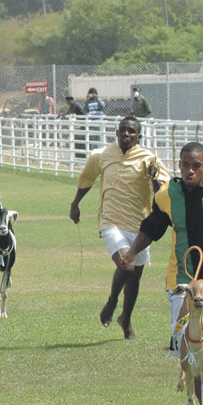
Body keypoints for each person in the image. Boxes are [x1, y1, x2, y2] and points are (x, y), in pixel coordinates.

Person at [121, 141, 203, 365]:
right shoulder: (167, 194)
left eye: (196, 166)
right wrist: (132, 252)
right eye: (185, 165)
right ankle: (202, 393)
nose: (190, 170)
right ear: (179, 165)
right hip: (183, 281)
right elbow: (152, 228)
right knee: (186, 343)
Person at [69, 115, 169, 339]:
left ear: (139, 136)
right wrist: (75, 204)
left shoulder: (149, 158)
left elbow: (163, 190)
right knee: (126, 266)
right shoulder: (102, 156)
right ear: (117, 132)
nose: (126, 134)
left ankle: (126, 319)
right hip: (110, 220)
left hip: (140, 224)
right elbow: (87, 179)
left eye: (132, 131)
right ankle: (112, 302)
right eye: (123, 130)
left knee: (135, 278)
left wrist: (155, 181)